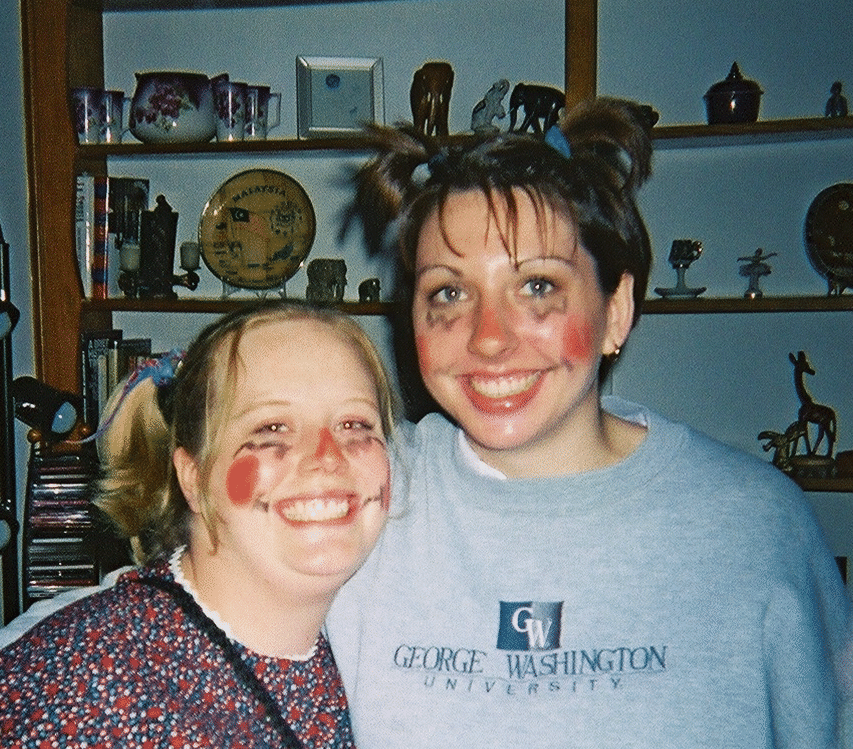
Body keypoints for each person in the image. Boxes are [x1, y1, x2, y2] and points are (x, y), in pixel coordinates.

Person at [325, 97, 853, 747]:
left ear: (616, 309)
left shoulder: (756, 527)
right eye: (449, 292)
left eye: (537, 286)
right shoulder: (353, 498)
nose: (488, 338)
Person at [0, 302, 395, 748]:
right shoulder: (88, 689)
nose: (327, 457)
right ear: (194, 477)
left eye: (354, 424)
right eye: (272, 428)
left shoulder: (380, 656)